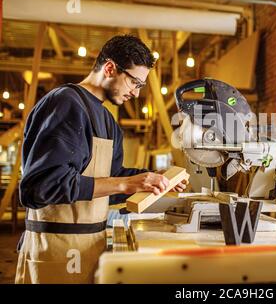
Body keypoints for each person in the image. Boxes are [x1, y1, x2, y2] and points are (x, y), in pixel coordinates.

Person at [15, 35, 187, 284]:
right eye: (134, 82)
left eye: (141, 86)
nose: (136, 94)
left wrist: (154, 182)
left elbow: (107, 183)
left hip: (91, 249)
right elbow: (40, 188)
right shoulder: (65, 103)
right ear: (109, 68)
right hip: (53, 250)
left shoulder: (108, 121)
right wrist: (127, 184)